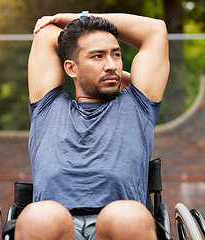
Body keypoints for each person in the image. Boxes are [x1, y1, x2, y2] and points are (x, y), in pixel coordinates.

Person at [15, 12, 169, 240]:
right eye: (97, 56)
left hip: (120, 226)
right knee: (40, 216)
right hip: (55, 227)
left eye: (116, 55)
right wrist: (82, 29)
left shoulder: (139, 103)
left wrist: (79, 17)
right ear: (71, 68)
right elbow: (46, 33)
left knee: (125, 214)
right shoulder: (48, 104)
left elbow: (155, 30)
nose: (111, 65)